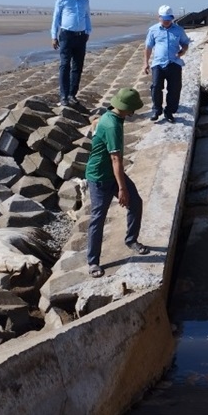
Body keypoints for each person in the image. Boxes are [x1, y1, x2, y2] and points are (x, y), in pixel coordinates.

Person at [85, 87, 147, 278]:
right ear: (127, 108)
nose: (133, 113)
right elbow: (116, 160)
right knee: (98, 218)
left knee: (136, 203)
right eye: (133, 109)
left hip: (112, 173)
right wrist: (122, 189)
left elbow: (94, 125)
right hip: (100, 177)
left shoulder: (111, 115)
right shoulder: (111, 126)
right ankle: (93, 262)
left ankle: (131, 240)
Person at [143, 5, 192, 123]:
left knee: (174, 89)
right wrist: (145, 63)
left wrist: (183, 50)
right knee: (156, 87)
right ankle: (156, 110)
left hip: (174, 62)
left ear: (172, 18)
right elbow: (148, 47)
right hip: (158, 63)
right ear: (159, 17)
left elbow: (185, 43)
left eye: (169, 18)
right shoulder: (153, 30)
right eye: (164, 18)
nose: (166, 21)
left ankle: (169, 111)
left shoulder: (179, 30)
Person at [50, 0, 92, 107]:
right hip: (66, 35)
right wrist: (54, 36)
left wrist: (88, 32)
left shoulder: (85, 1)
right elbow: (56, 18)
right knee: (65, 65)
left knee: (77, 66)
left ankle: (72, 95)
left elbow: (87, 17)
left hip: (81, 36)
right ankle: (63, 96)